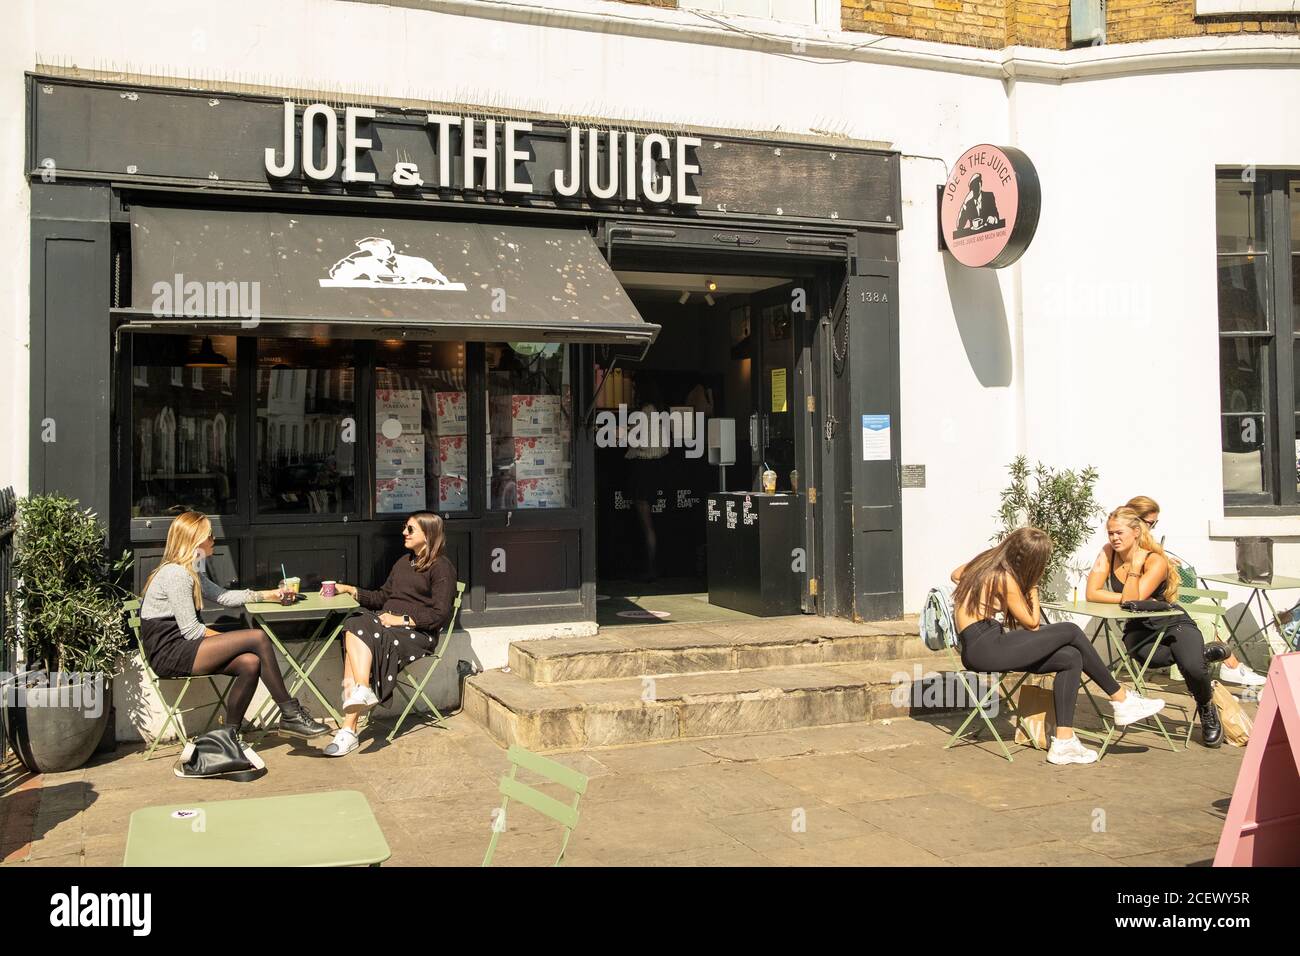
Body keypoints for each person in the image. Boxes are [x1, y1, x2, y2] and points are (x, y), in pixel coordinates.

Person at [952, 527, 1167, 765]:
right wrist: (1032, 587)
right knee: (1070, 630)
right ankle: (1121, 698)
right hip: (989, 647)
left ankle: (1064, 742)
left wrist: (986, 597)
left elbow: (956, 574)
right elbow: (1032, 623)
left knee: (1070, 657)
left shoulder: (986, 562)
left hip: (982, 645)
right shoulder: (1006, 579)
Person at [139, 511, 330, 777]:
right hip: (171, 652)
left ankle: (229, 737)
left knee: (250, 662)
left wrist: (269, 595)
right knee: (256, 638)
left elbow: (224, 596)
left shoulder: (190, 570)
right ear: (194, 541)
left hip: (184, 647)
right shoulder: (176, 574)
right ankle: (290, 712)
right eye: (209, 537)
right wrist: (236, 642)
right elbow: (192, 632)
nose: (214, 541)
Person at [1086, 506, 1226, 748]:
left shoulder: (1155, 560)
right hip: (1139, 628)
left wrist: (1135, 568)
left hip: (1173, 622)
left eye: (1119, 533)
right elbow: (1093, 593)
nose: (1114, 538)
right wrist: (1127, 600)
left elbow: (1132, 599)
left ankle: (1206, 707)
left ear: (1136, 532)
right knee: (1149, 659)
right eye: (1110, 533)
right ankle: (1203, 654)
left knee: (1192, 668)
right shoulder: (1108, 552)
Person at [328, 511, 457, 756]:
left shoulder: (442, 568)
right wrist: (349, 589)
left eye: (410, 529)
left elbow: (440, 615)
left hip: (418, 634)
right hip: (387, 625)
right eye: (405, 528)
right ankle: (362, 691)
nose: (404, 533)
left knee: (363, 633)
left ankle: (348, 729)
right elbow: (382, 597)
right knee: (354, 623)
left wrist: (403, 620)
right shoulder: (404, 562)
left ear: (428, 535)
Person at [1123, 495, 1265, 689]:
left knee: (1209, 607)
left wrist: (1163, 560)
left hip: (1161, 602)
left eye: (1155, 523)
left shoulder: (1145, 543)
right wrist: (1158, 564)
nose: (1153, 527)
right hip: (1152, 611)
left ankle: (1227, 665)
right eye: (1150, 523)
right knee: (1203, 619)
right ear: (1136, 521)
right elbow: (1134, 589)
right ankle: (1224, 667)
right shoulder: (1126, 545)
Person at [625, 378, 668, 582]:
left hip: (643, 467)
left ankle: (650, 567)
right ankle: (654, 565)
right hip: (657, 468)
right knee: (652, 521)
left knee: (645, 522)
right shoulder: (661, 412)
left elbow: (631, 436)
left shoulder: (645, 411)